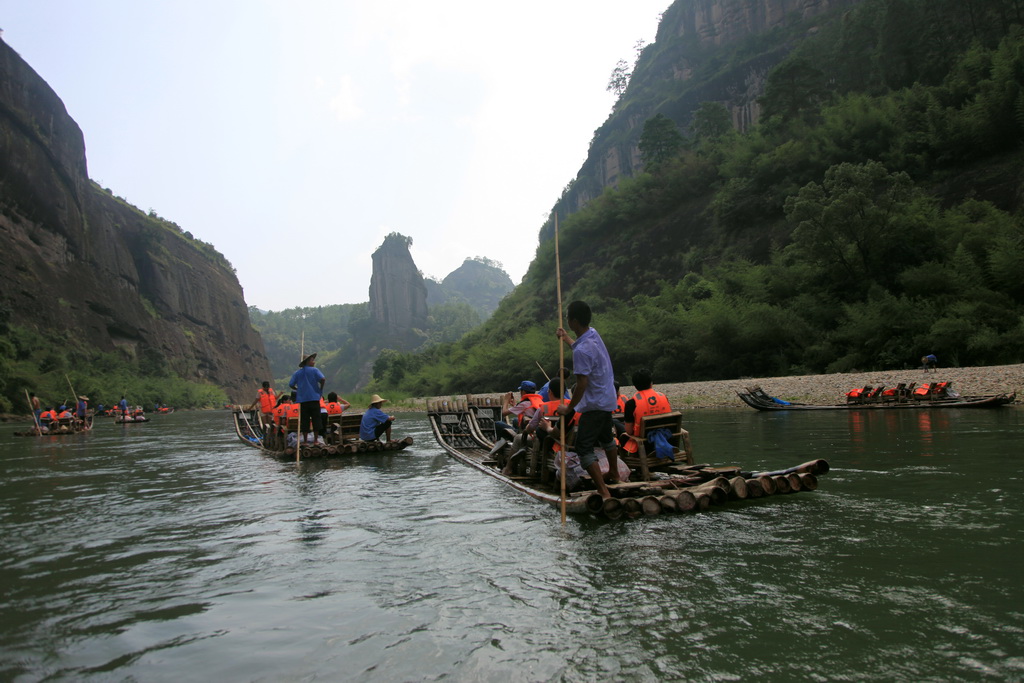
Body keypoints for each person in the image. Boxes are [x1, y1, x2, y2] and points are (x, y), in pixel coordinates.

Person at [555, 300, 621, 499]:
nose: (567, 321)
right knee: (607, 438)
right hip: (607, 399)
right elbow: (581, 348)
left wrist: (569, 408)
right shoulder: (593, 334)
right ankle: (615, 473)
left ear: (573, 321)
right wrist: (567, 339)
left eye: (568, 318)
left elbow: (581, 384)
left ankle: (603, 490)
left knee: (584, 447)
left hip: (593, 404)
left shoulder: (582, 351)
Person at [620, 368, 690, 461]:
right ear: (651, 383)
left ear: (635, 385)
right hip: (669, 441)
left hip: (645, 447)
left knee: (622, 436)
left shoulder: (631, 403)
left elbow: (629, 431)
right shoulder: (663, 397)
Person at [289, 353, 326, 446]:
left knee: (305, 421)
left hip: (303, 400)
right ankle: (316, 441)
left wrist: (298, 389)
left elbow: (291, 384)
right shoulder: (314, 370)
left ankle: (305, 441)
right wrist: (320, 388)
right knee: (316, 419)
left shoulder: (297, 373)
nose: (314, 362)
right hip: (314, 398)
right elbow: (323, 379)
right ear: (308, 362)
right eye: (312, 360)